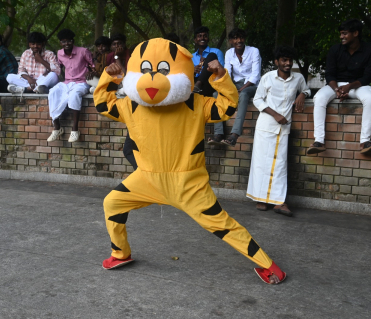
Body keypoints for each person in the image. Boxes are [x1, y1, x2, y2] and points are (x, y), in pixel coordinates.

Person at [94, 38, 287, 285]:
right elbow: (102, 103)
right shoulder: (132, 104)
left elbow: (228, 107)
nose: (153, 78)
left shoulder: (195, 103)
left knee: (223, 226)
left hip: (188, 184)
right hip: (147, 179)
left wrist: (220, 76)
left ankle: (269, 265)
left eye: (164, 70)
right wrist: (109, 77)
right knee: (113, 203)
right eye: (147, 71)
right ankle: (120, 254)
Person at [247, 46, 310, 217]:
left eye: (289, 60)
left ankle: (279, 202)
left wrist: (302, 94)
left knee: (280, 165)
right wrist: (275, 114)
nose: (287, 63)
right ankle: (261, 198)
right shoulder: (268, 78)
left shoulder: (298, 78)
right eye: (283, 60)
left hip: (283, 128)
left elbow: (307, 89)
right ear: (277, 62)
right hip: (266, 126)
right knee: (261, 163)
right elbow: (258, 99)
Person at [307, 19, 371, 155]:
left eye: (344, 33)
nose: (341, 37)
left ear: (355, 33)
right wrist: (337, 90)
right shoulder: (335, 50)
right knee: (318, 98)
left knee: (370, 98)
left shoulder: (368, 50)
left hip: (358, 85)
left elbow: (367, 77)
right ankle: (319, 141)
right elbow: (329, 74)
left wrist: (349, 87)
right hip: (335, 85)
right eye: (341, 34)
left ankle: (365, 141)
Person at [207, 28, 261, 146]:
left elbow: (255, 76)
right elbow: (227, 73)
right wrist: (228, 89)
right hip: (236, 84)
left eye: (241, 37)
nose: (239, 40)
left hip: (251, 85)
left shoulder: (253, 51)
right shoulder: (229, 53)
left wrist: (239, 90)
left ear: (245, 39)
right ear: (231, 41)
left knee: (244, 95)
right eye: (235, 38)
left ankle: (234, 135)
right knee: (216, 94)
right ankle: (218, 134)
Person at [46, 29, 93, 143]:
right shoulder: (59, 53)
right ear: (60, 43)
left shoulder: (83, 51)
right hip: (67, 82)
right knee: (52, 92)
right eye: (63, 42)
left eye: (69, 41)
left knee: (74, 95)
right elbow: (59, 68)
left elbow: (94, 65)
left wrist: (91, 71)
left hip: (81, 82)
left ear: (73, 41)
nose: (66, 44)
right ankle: (57, 128)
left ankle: (75, 130)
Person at [192, 26, 225, 97]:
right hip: (194, 82)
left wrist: (207, 65)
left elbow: (222, 72)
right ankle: (197, 86)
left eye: (205, 36)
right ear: (195, 40)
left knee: (211, 56)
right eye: (199, 36)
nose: (202, 38)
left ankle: (198, 85)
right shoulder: (191, 57)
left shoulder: (217, 52)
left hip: (211, 82)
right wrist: (193, 71)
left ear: (208, 39)